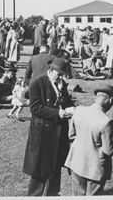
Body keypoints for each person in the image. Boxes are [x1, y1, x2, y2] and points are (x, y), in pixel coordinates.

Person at [23, 58, 74, 196]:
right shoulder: (37, 83)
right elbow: (35, 108)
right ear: (50, 71)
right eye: (59, 74)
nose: (61, 77)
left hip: (58, 133)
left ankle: (53, 194)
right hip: (43, 135)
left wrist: (71, 109)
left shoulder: (61, 83)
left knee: (55, 168)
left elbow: (66, 101)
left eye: (63, 74)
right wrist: (57, 113)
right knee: (40, 171)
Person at [64, 85, 113, 196]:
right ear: (111, 100)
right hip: (95, 168)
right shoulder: (106, 122)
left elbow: (71, 135)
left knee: (77, 195)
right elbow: (109, 150)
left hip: (77, 162)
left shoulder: (79, 111)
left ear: (96, 98)